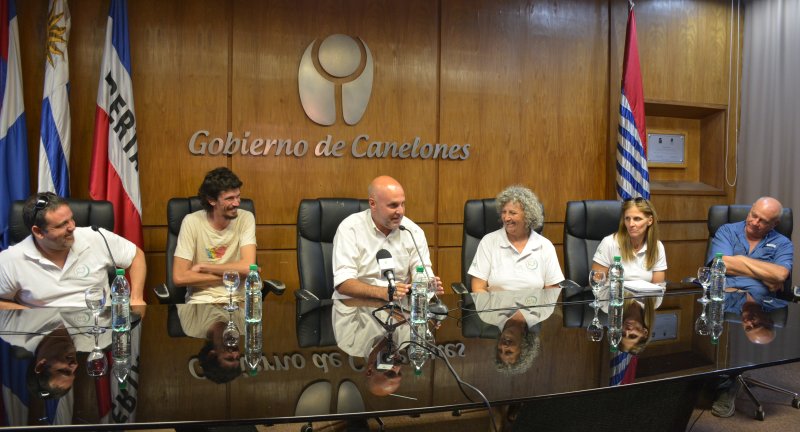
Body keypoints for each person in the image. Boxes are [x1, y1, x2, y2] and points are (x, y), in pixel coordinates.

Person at [709, 196, 793, 418]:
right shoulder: (727, 230)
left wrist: (738, 262)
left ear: (774, 224)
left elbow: (781, 274)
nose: (755, 222)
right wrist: (764, 271)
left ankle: (727, 386)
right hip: (722, 299)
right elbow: (721, 263)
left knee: (745, 340)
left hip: (761, 305)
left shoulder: (783, 243)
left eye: (763, 221)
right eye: (753, 214)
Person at [0, 192, 146, 309]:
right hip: (44, 339)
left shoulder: (95, 236)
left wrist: (136, 298)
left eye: (71, 219)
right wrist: (27, 314)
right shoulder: (12, 259)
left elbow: (135, 256)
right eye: (62, 225)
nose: (72, 227)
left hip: (98, 332)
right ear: (38, 232)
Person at [332, 175, 443, 301]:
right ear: (373, 204)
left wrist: (426, 284)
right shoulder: (350, 228)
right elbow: (343, 283)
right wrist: (382, 292)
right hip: (353, 308)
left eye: (403, 204)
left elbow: (421, 271)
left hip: (398, 310)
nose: (400, 211)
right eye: (393, 205)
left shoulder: (413, 232)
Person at [173, 167, 257, 304]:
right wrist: (233, 276)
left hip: (239, 300)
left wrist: (204, 267)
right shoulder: (191, 222)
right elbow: (180, 277)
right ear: (212, 201)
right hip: (201, 300)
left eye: (238, 196)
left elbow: (248, 267)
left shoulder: (246, 218)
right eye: (230, 198)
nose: (237, 203)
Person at [469, 185, 563, 292]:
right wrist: (495, 308)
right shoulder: (488, 242)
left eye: (512, 213)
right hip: (497, 307)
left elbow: (552, 290)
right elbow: (478, 288)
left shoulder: (545, 246)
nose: (506, 218)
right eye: (504, 212)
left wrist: (534, 309)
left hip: (534, 307)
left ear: (528, 215)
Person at [592, 197, 667, 284]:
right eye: (627, 219)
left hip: (645, 297)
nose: (631, 224)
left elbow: (657, 288)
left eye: (637, 219)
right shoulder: (609, 243)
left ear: (650, 221)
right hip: (614, 296)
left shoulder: (657, 246)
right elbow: (596, 283)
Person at [177, 303, 244, 384]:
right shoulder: (243, 327)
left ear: (212, 355)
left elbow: (181, 293)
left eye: (229, 358)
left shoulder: (192, 327)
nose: (235, 353)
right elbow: (251, 296)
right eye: (237, 357)